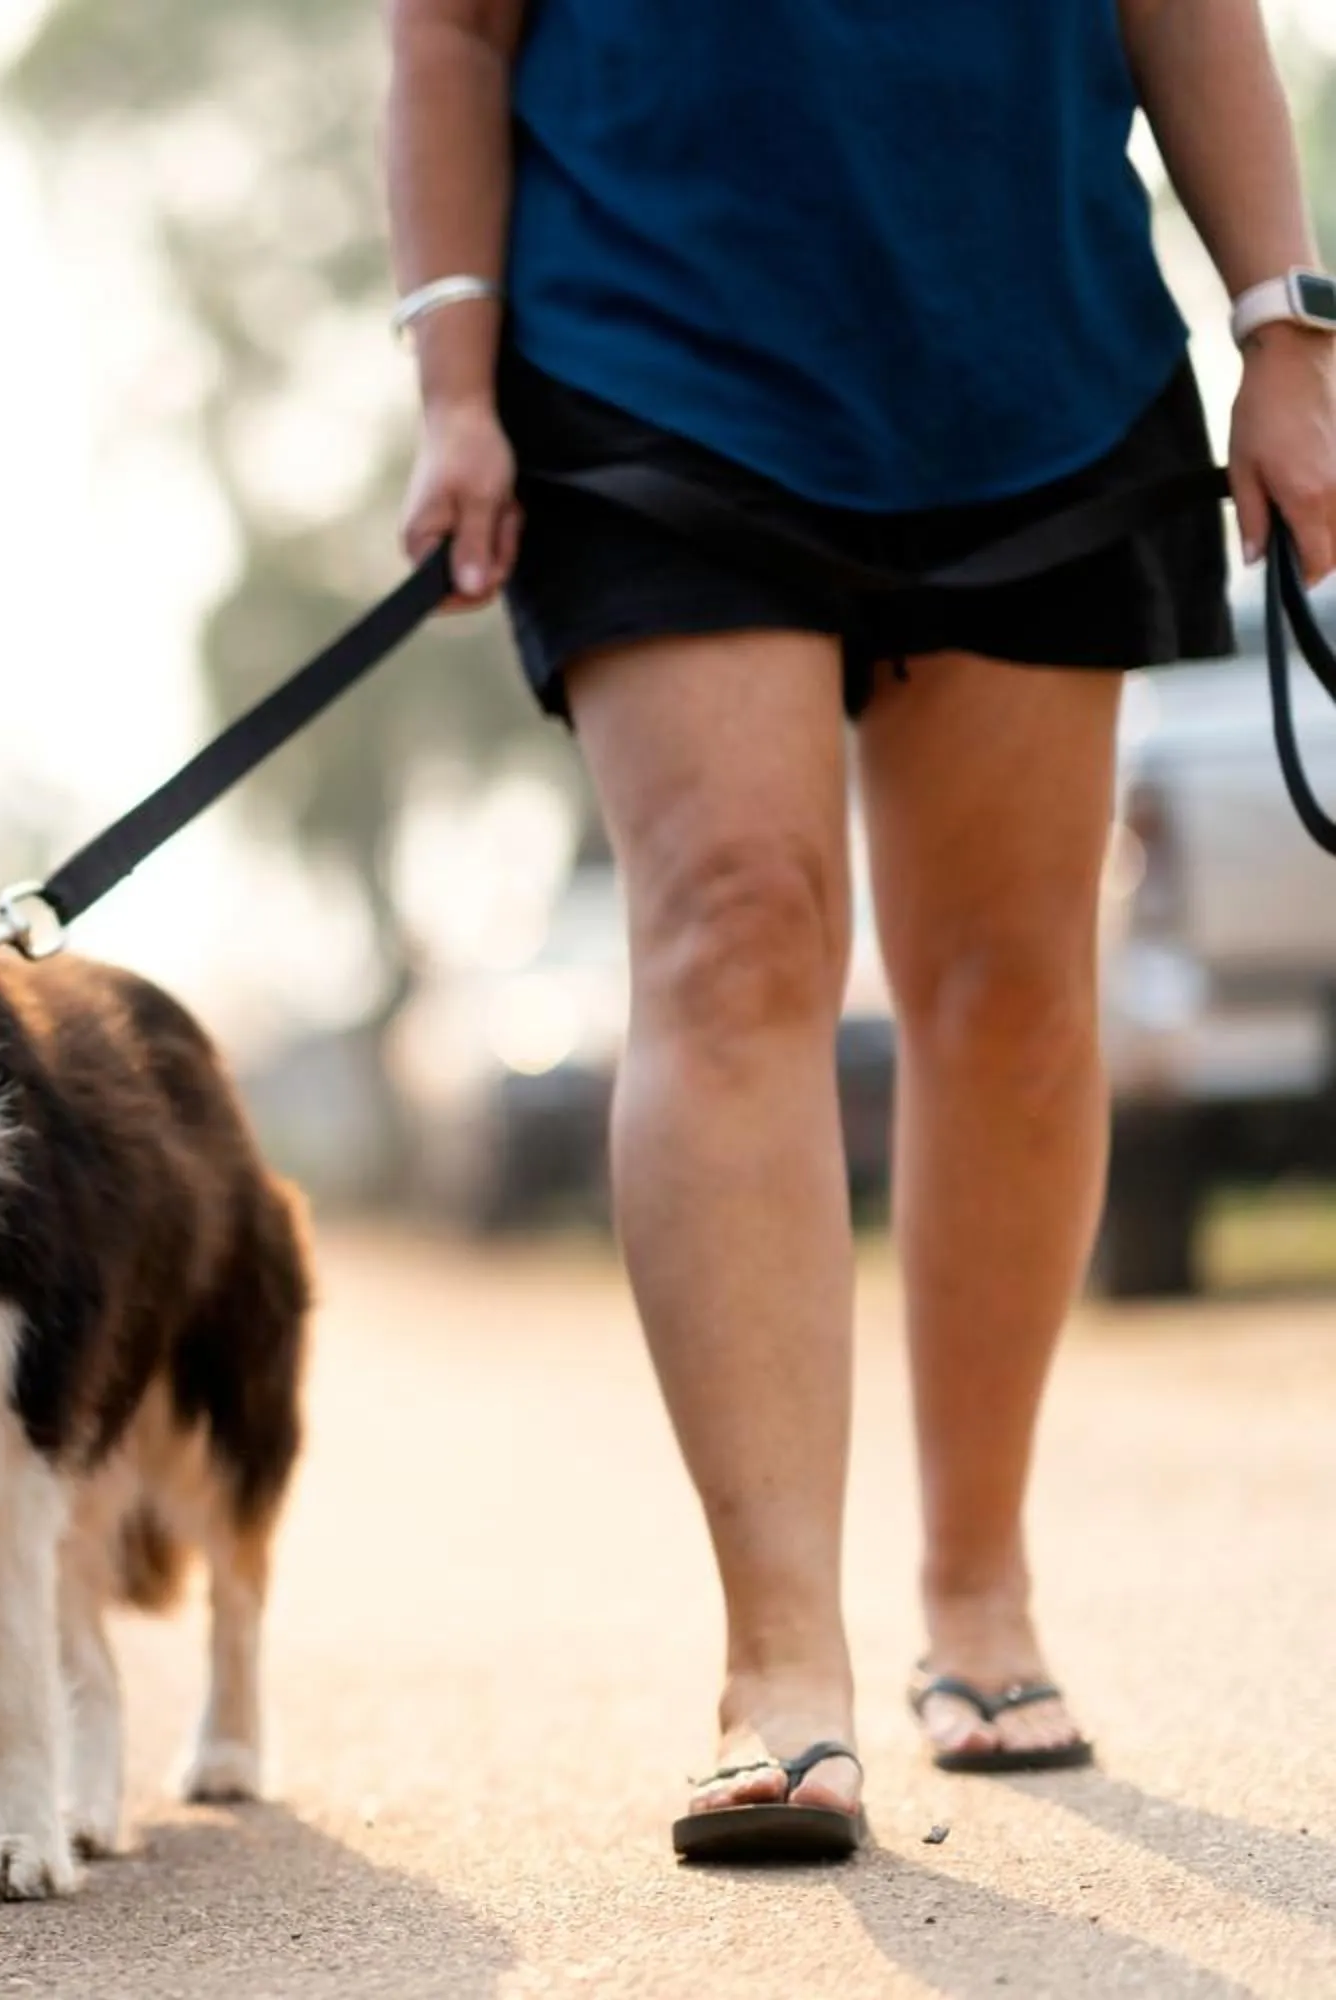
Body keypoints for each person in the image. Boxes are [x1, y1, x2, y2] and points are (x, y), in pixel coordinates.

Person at [385, 0, 1336, 1859]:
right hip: (648, 346)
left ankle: (977, 1590)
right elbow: (449, 31)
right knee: (734, 929)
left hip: (1032, 355)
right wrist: (452, 384)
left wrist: (1282, 327)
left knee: (1011, 984)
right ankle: (781, 1662)